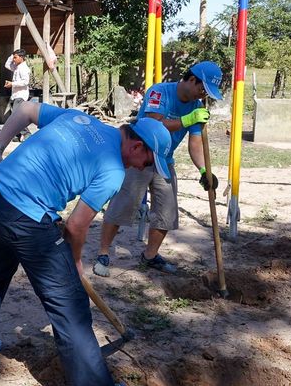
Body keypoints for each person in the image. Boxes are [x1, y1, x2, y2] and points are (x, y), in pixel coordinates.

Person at [0, 100, 172, 386]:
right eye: (148, 162)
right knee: (70, 306)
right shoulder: (114, 170)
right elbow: (75, 226)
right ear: (137, 145)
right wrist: (75, 265)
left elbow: (26, 109)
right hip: (26, 217)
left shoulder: (80, 119)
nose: (144, 169)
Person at [96, 61, 224, 275]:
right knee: (122, 205)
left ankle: (150, 256)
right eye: (202, 89)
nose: (203, 96)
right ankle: (103, 252)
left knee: (167, 211)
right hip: (140, 156)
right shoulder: (159, 92)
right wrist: (187, 119)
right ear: (192, 79)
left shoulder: (197, 108)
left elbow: (195, 144)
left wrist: (204, 170)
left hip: (165, 161)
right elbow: (152, 124)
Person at [3, 49, 31, 141]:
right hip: (15, 95)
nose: (13, 60)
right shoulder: (17, 67)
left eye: (15, 57)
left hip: (21, 95)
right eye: (13, 58)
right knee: (13, 116)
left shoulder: (24, 68)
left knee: (16, 115)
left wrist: (12, 84)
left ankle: (26, 133)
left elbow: (25, 82)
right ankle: (18, 135)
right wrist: (12, 55)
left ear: (21, 58)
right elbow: (7, 65)